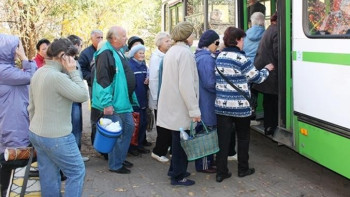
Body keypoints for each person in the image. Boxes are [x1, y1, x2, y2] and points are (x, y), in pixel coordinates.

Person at [28, 38, 89, 196]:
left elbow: (31, 107)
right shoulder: (57, 77)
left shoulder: (39, 72)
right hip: (57, 137)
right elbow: (82, 95)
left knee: (48, 175)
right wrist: (74, 71)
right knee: (76, 171)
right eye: (72, 57)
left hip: (37, 133)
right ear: (63, 56)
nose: (73, 61)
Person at [215, 27, 274, 183]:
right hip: (241, 108)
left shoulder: (219, 56)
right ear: (238, 40)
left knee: (223, 140)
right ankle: (243, 169)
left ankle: (221, 172)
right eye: (243, 40)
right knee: (243, 138)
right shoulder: (242, 59)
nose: (244, 43)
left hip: (222, 106)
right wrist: (267, 69)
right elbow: (257, 78)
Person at [157, 21, 201, 186]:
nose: (194, 37)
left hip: (172, 103)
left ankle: (174, 170)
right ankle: (178, 176)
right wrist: (194, 110)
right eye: (192, 34)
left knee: (177, 138)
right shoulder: (185, 53)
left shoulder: (172, 51)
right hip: (181, 105)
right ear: (187, 36)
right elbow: (187, 84)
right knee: (182, 142)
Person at [91, 26, 137, 174]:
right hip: (115, 103)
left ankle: (119, 158)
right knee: (119, 133)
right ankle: (115, 164)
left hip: (123, 101)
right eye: (124, 36)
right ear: (114, 38)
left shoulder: (118, 52)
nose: (126, 38)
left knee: (128, 128)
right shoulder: (106, 54)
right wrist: (107, 103)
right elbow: (103, 81)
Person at [0, 34, 37, 197]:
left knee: (10, 158)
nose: (18, 50)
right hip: (12, 122)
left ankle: (8, 190)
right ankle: (8, 190)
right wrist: (24, 57)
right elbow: (33, 77)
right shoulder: (4, 70)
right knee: (13, 158)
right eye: (16, 47)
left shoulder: (6, 69)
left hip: (12, 119)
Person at [194, 29, 220, 174]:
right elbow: (209, 83)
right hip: (207, 102)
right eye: (216, 43)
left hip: (203, 101)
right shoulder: (206, 59)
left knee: (206, 132)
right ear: (211, 43)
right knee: (206, 134)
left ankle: (208, 161)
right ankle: (204, 164)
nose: (217, 45)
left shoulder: (202, 56)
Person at [253, 12, 278, 136]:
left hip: (264, 70)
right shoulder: (277, 31)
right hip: (271, 72)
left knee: (268, 101)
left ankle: (269, 126)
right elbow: (278, 53)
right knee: (273, 102)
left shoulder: (269, 29)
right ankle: (271, 127)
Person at [149, 32, 172, 163]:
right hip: (159, 97)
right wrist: (157, 99)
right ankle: (158, 151)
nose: (169, 43)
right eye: (166, 41)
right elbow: (153, 79)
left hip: (166, 96)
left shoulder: (166, 55)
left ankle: (166, 146)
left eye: (170, 41)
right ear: (159, 43)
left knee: (168, 125)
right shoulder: (156, 58)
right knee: (163, 126)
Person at [78, 30, 103, 145]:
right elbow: (80, 69)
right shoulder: (86, 53)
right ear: (92, 39)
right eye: (98, 37)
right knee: (96, 114)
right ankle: (95, 141)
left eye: (102, 37)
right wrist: (91, 78)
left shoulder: (105, 50)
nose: (100, 39)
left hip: (106, 87)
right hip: (93, 87)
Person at [67, 35, 90, 162]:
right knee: (75, 128)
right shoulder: (71, 62)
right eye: (80, 45)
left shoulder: (73, 60)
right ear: (75, 46)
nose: (81, 48)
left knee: (76, 128)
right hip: (73, 99)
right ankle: (75, 157)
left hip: (75, 99)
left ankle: (75, 155)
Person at [127, 44, 150, 156]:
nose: (142, 55)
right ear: (134, 54)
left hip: (143, 99)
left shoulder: (144, 66)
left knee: (143, 123)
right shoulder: (130, 65)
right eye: (140, 53)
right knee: (135, 124)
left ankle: (140, 144)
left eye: (143, 53)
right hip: (134, 99)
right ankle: (132, 147)